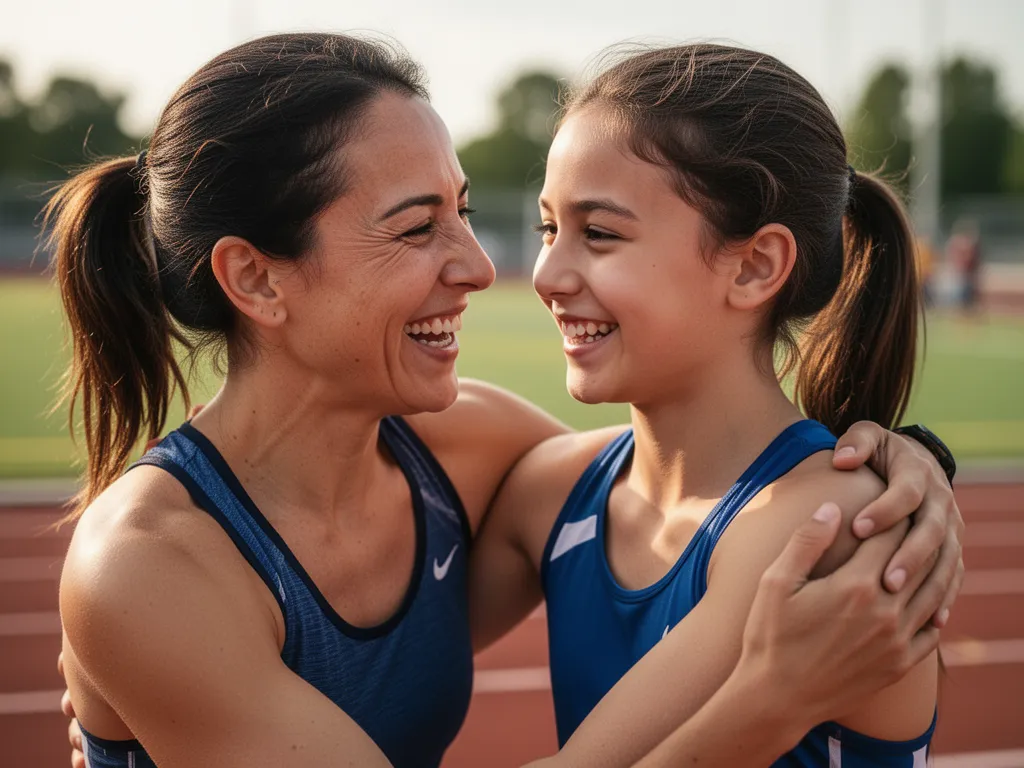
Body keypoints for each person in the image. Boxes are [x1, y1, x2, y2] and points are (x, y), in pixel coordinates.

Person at [51, 33, 961, 768]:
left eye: (467, 212)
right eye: (418, 226)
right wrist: (770, 701)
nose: (496, 270)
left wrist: (908, 455)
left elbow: (721, 478)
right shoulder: (149, 562)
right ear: (255, 279)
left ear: (757, 264)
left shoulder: (489, 459)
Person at [469, 43, 957, 766]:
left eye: (598, 233)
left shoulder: (828, 527)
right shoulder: (552, 490)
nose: (546, 274)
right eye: (550, 229)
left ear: (755, 266)